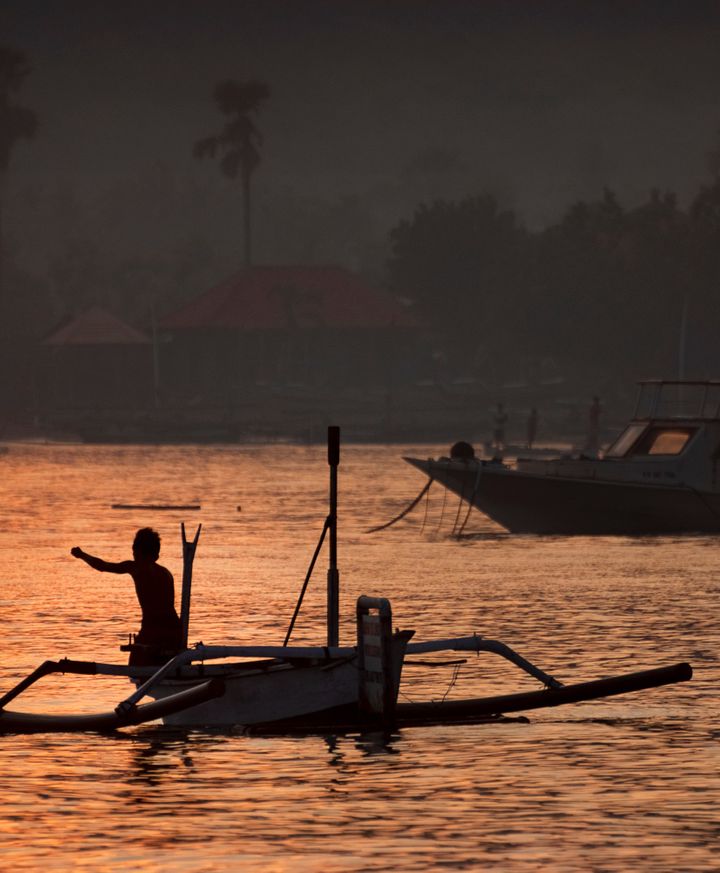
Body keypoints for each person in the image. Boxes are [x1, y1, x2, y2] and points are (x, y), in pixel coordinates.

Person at [71, 527, 182, 666]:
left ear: (137, 552)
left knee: (135, 665)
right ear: (156, 554)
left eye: (134, 550)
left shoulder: (136, 567)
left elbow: (103, 566)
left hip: (153, 631)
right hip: (175, 631)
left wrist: (82, 555)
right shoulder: (166, 573)